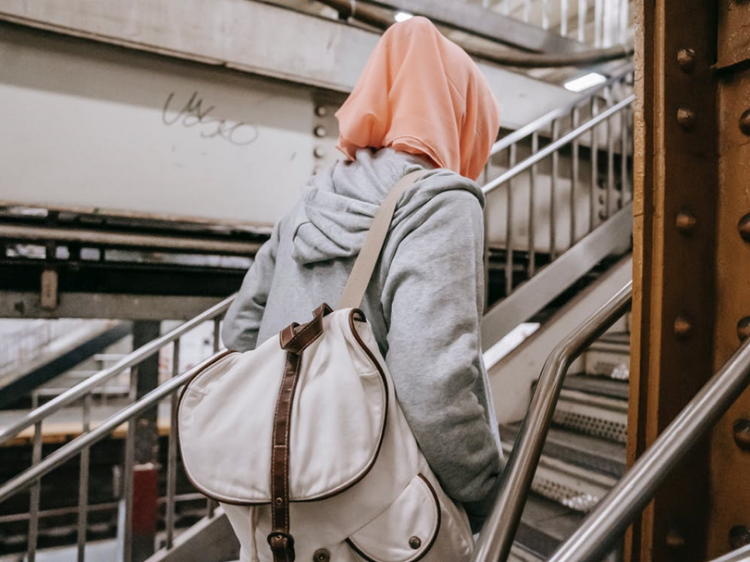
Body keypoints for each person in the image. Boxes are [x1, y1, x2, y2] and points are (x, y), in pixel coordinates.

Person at [222, 15, 502, 532]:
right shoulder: (439, 202)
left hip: (273, 505)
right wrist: (485, 493)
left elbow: (239, 328)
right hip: (376, 524)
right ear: (463, 114)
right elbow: (431, 387)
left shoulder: (312, 197)